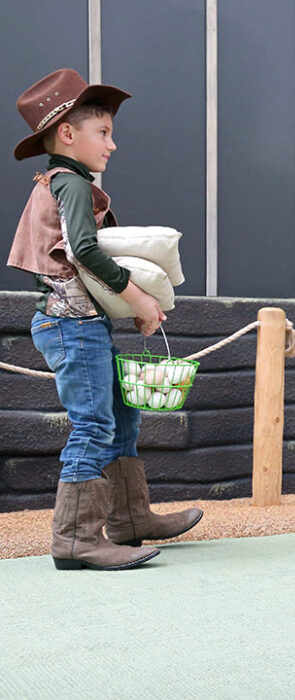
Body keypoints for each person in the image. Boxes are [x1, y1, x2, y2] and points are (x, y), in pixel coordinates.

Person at [6, 68, 202, 571]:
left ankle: (131, 520)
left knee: (120, 415)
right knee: (93, 424)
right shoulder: (70, 182)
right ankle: (75, 539)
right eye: (104, 133)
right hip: (70, 326)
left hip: (80, 324)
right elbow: (85, 251)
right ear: (68, 134)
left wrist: (127, 306)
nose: (112, 144)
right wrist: (137, 298)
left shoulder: (63, 181)